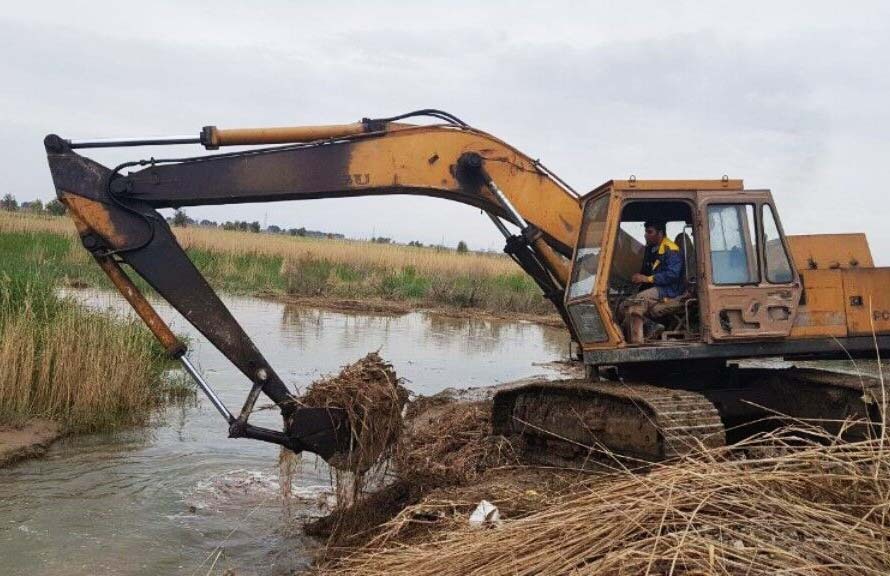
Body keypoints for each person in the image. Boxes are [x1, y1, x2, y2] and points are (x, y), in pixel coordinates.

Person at [620, 221, 685, 343]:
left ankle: (639, 339)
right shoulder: (651, 249)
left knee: (636, 302)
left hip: (670, 290)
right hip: (658, 288)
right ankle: (648, 326)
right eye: (645, 232)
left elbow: (672, 275)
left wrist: (647, 278)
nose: (645, 235)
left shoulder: (671, 250)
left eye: (650, 232)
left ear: (660, 233)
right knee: (623, 305)